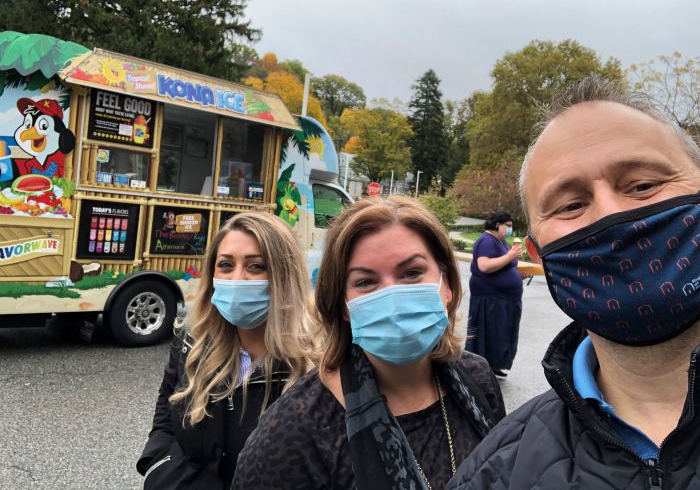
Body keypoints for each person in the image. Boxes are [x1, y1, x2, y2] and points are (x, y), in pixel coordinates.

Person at [448, 76, 700, 489]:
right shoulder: (494, 474)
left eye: (644, 185)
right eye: (570, 205)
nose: (608, 214)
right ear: (537, 253)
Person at [232, 196, 506, 490]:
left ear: (447, 284)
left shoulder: (477, 377)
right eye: (365, 282)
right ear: (344, 307)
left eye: (412, 273)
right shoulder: (296, 431)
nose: (392, 300)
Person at [136, 211, 314, 490]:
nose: (237, 279)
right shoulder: (192, 339)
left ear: (285, 275)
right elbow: (166, 407)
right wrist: (157, 465)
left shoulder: (315, 362)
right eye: (226, 265)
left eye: (256, 266)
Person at [466, 211, 524, 377]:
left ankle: (494, 364)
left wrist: (518, 274)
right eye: (509, 226)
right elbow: (484, 266)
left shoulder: (501, 241)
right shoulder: (486, 240)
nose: (510, 229)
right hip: (490, 297)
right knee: (489, 332)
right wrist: (510, 256)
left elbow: (503, 266)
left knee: (500, 334)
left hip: (505, 298)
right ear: (498, 225)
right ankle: (480, 368)